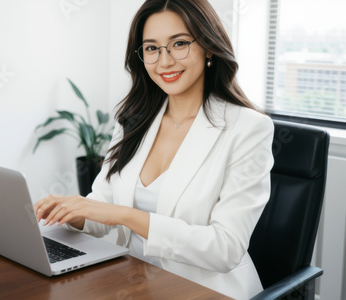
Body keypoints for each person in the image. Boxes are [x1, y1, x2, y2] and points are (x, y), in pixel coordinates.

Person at [34, 0, 274, 298]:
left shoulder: (248, 128)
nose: (164, 61)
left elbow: (226, 248)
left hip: (203, 290)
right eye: (151, 48)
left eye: (179, 44)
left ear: (209, 47)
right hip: (130, 280)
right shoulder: (136, 118)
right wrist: (76, 212)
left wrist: (126, 215)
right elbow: (104, 203)